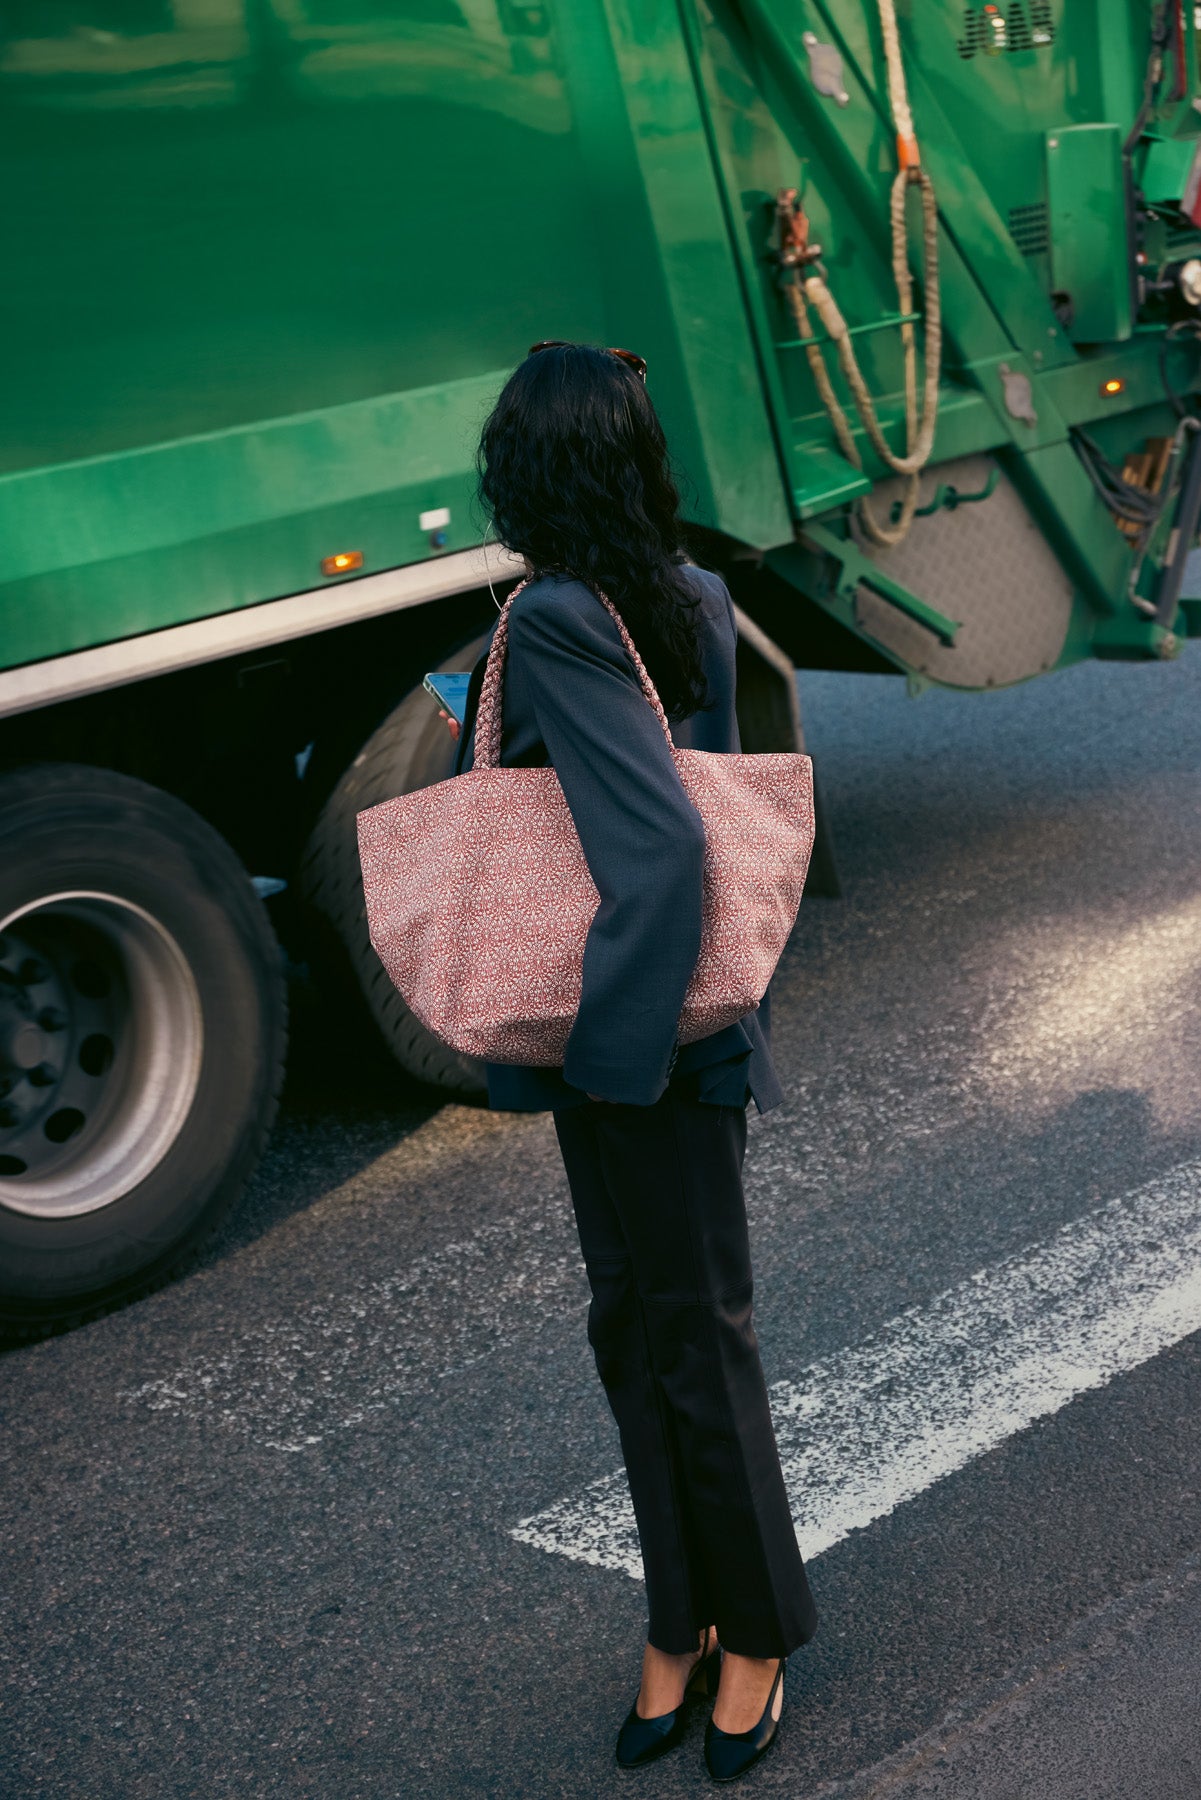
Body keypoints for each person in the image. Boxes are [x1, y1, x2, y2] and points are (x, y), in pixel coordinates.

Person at [449, 341, 818, 1782]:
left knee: (675, 1336)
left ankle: (756, 1631)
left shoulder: (549, 617)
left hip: (635, 1039)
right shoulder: (691, 598)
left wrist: (605, 1066)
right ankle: (687, 1618)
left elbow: (655, 849)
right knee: (664, 1332)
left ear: (526, 470)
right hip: (694, 1025)